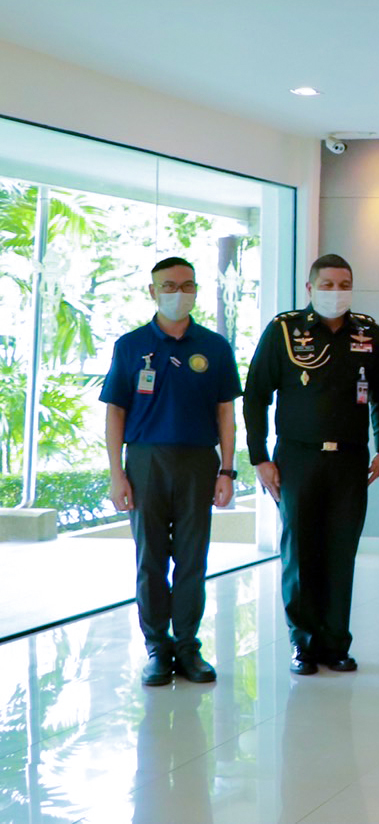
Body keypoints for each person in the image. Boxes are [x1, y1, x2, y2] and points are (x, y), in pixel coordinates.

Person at [244, 253, 379, 675]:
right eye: (327, 285)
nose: (336, 292)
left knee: (340, 551)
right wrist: (259, 457)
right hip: (297, 458)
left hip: (350, 459)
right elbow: (255, 395)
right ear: (310, 288)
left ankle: (336, 643)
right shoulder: (284, 330)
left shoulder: (369, 333)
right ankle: (304, 644)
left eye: (343, 285)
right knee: (300, 552)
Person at [101, 257, 242, 687]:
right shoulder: (131, 345)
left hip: (199, 461)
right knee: (151, 560)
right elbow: (115, 412)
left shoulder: (215, 347)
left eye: (186, 286)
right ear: (152, 291)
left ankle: (187, 646)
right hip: (146, 462)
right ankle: (157, 649)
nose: (178, 294)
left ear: (196, 290)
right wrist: (117, 474)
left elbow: (225, 412)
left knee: (192, 558)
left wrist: (227, 470)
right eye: (168, 286)